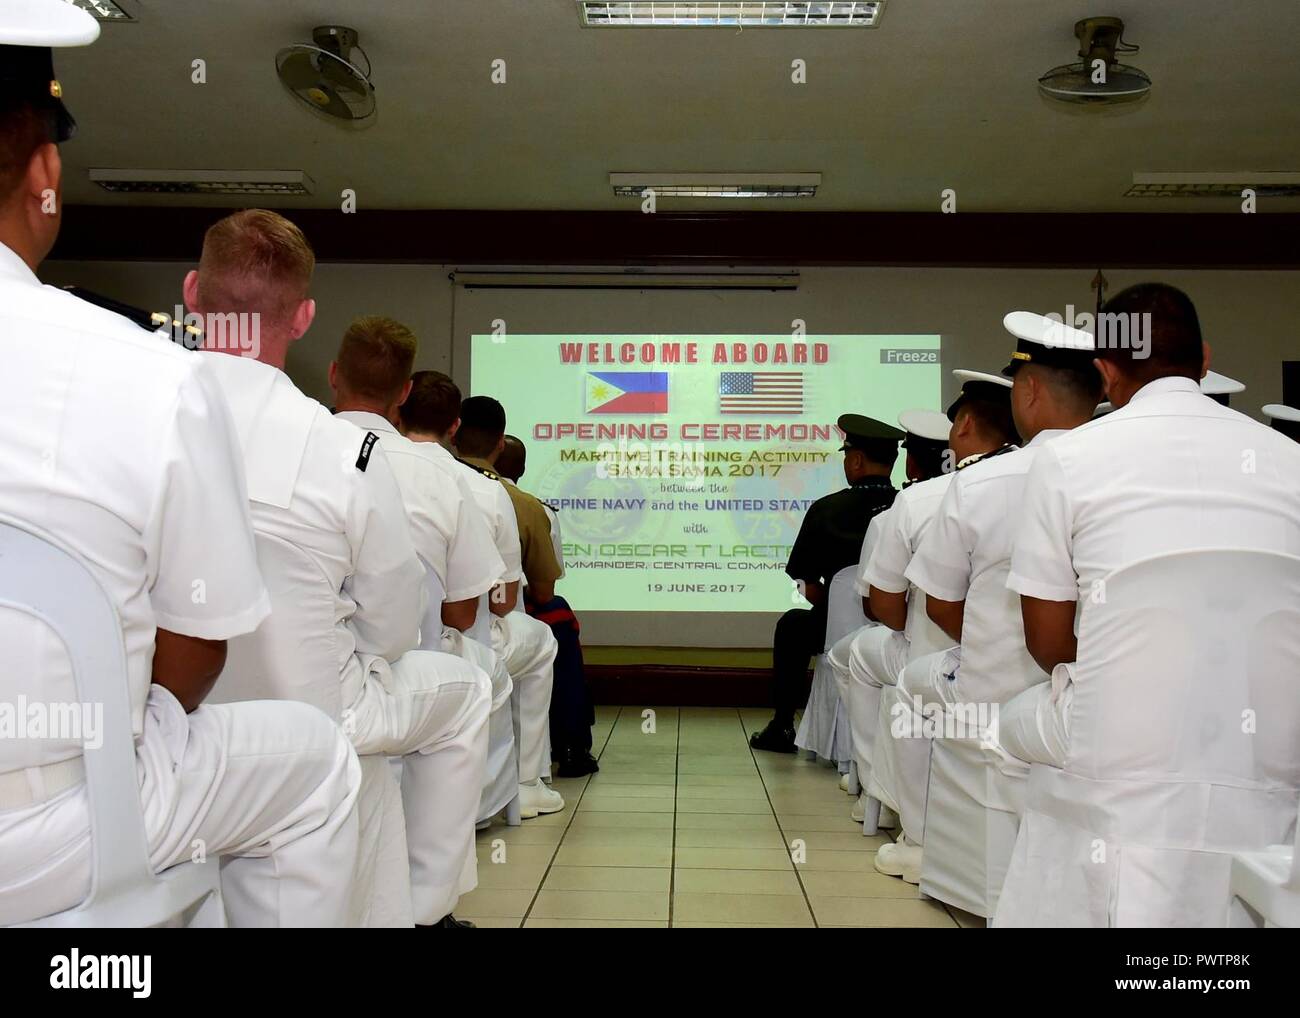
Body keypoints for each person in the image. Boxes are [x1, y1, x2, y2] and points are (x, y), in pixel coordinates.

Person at [0, 1, 360, 927]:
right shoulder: (146, 378)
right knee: (317, 762)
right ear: (46, 170)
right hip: (48, 830)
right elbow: (196, 654)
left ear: (197, 296)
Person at [183, 211, 491, 929]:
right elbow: (391, 625)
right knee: (467, 688)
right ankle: (423, 908)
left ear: (193, 293)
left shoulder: (134, 423)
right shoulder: (342, 453)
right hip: (322, 716)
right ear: (304, 317)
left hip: (171, 715)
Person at [997, 282, 1300, 926]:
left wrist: (1135, 669)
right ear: (1205, 358)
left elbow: (1047, 644)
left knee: (1016, 722)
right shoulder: (1290, 460)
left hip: (1120, 757)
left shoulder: (1069, 459)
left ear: (1105, 368)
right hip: (1274, 754)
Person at [883, 314, 1101, 883]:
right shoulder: (1123, 470)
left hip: (994, 692)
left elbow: (938, 605)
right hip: (1110, 691)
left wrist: (984, 647)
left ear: (1027, 392)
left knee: (910, 688)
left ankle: (919, 837)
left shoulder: (979, 483)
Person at [846, 377, 1018, 838]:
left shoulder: (926, 497)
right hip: (1043, 667)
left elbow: (887, 604)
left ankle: (895, 810)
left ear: (961, 426)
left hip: (953, 658)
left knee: (867, 661)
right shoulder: (1052, 478)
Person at [400, 375, 569, 810]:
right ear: (451, 427)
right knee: (542, 641)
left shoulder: (367, 466)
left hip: (382, 639)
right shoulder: (488, 492)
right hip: (452, 637)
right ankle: (527, 782)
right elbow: (502, 601)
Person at [456, 398, 600, 777]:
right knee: (557, 622)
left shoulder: (430, 483)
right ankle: (560, 751)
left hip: (424, 626)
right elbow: (542, 592)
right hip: (487, 624)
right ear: (501, 448)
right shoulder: (526, 506)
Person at [823, 407, 951, 814]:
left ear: (911, 459)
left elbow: (880, 609)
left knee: (853, 656)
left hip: (924, 655)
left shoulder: (905, 507)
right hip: (1004, 660)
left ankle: (874, 784)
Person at [750, 414, 903, 753]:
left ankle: (782, 725)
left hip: (835, 631)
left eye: (846, 456)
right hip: (901, 626)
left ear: (857, 460)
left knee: (792, 625)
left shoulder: (826, 510)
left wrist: (838, 609)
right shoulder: (909, 506)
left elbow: (804, 582)